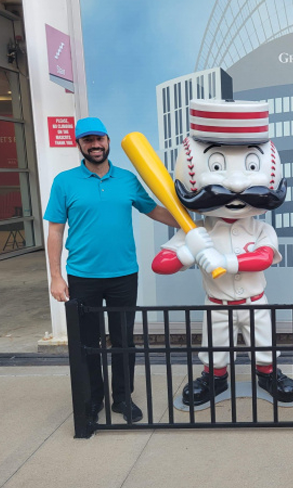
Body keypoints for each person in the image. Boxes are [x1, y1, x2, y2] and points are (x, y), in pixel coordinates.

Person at [151, 99, 293, 406]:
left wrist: (224, 261)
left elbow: (264, 258)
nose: (235, 183)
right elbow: (160, 264)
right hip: (217, 304)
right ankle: (214, 380)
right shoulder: (196, 231)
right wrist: (188, 254)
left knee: (265, 346)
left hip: (255, 301)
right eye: (217, 166)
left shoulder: (259, 228)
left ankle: (268, 375)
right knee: (215, 349)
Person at [45, 116, 178, 423]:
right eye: (88, 140)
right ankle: (93, 399)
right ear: (78, 144)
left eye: (99, 139)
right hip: (82, 275)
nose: (95, 145)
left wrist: (190, 223)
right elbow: (55, 231)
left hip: (123, 275)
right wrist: (55, 276)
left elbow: (153, 209)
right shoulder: (64, 182)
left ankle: (122, 398)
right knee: (88, 342)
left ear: (107, 140)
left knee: (123, 340)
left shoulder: (127, 179)